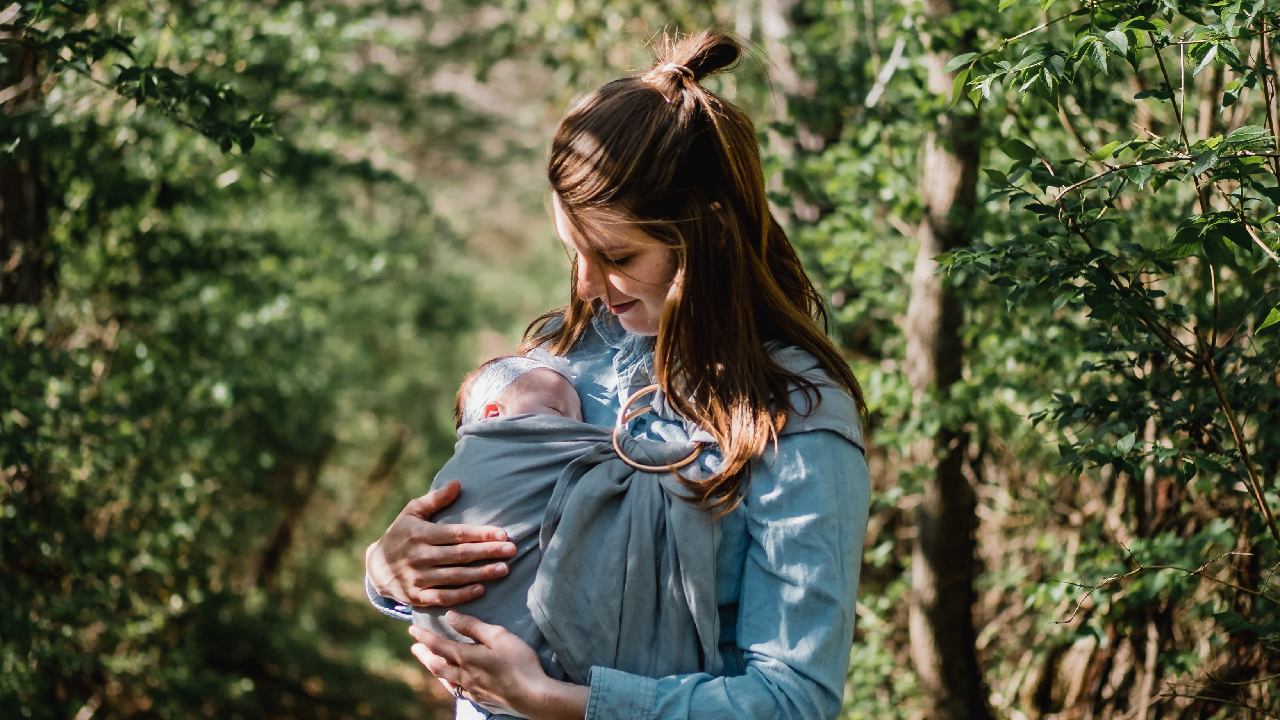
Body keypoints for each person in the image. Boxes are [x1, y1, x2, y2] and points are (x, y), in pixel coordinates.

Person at [365, 29, 872, 720]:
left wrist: (554, 700)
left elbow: (792, 699)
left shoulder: (794, 415)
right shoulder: (562, 357)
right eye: (573, 249)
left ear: (710, 232)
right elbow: (481, 557)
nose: (587, 282)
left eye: (616, 255)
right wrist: (388, 573)